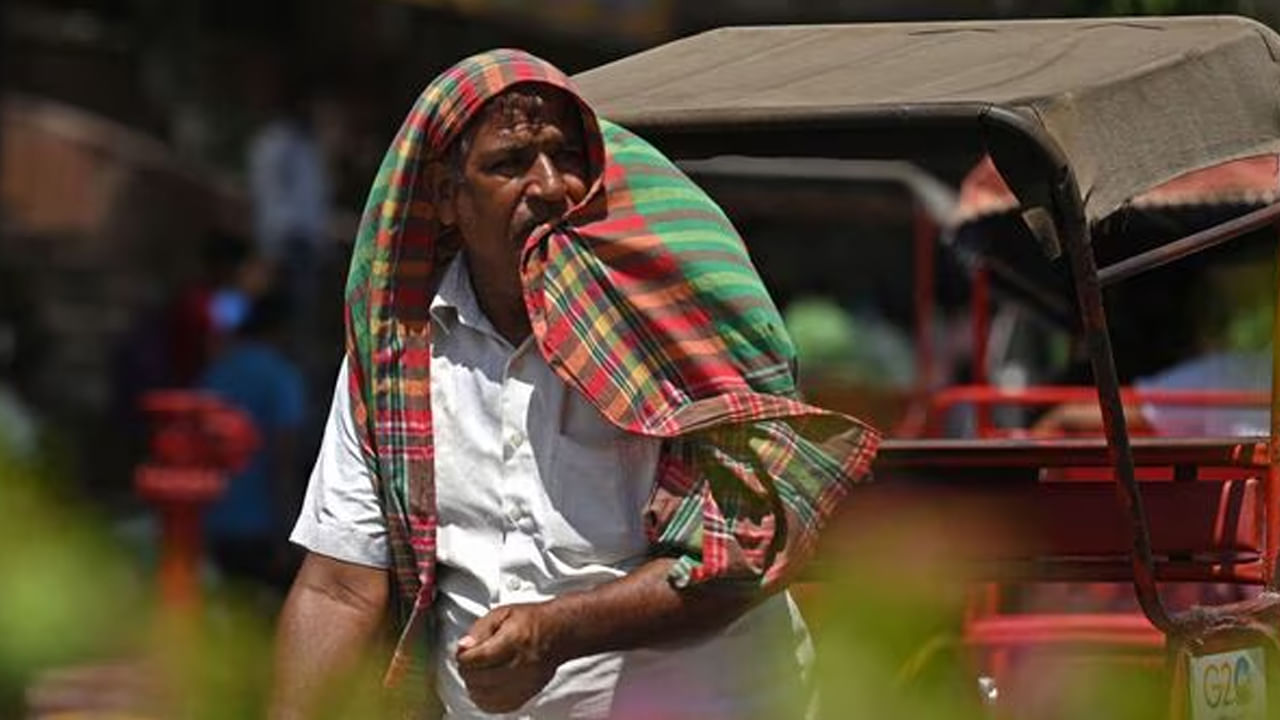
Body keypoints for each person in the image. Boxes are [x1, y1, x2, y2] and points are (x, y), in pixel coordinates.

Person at [272, 51, 878, 719]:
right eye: (509, 164)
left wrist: (562, 630)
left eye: (565, 158)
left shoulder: (664, 325)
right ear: (446, 198)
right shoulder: (400, 355)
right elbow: (338, 588)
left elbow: (738, 548)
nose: (550, 185)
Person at [200, 292, 306, 588]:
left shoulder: (217, 371)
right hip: (261, 522)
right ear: (281, 330)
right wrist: (288, 528)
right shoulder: (281, 375)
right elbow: (284, 455)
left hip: (213, 517)